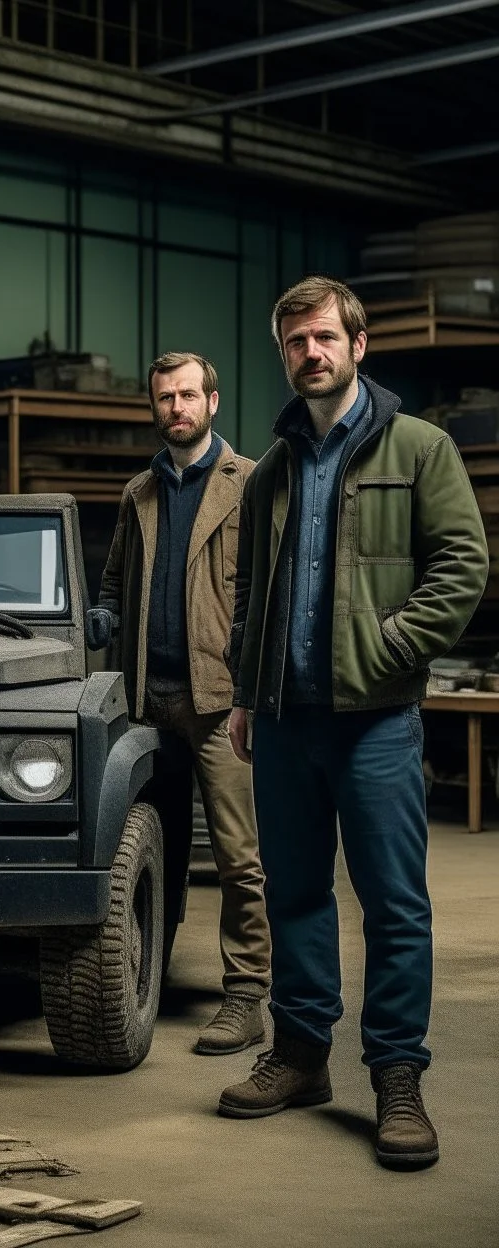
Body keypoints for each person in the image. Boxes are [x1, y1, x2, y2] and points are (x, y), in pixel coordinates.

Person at [220, 275, 488, 1169]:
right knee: (295, 893)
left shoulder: (421, 448)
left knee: (393, 905)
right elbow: (251, 589)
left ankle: (397, 1076)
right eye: (294, 341)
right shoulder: (275, 470)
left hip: (376, 721)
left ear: (358, 344)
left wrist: (394, 647)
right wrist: (249, 693)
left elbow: (461, 563)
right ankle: (300, 1054)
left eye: (325, 337)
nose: (311, 353)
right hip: (287, 720)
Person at [99, 350, 271, 1055]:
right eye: (165, 398)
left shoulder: (252, 482)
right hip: (149, 704)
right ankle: (152, 974)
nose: (177, 408)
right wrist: (98, 624)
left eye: (189, 396)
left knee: (238, 855)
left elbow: (270, 591)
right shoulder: (138, 491)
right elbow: (111, 584)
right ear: (155, 406)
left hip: (220, 703)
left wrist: (255, 691)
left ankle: (247, 995)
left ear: (214, 401)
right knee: (152, 849)